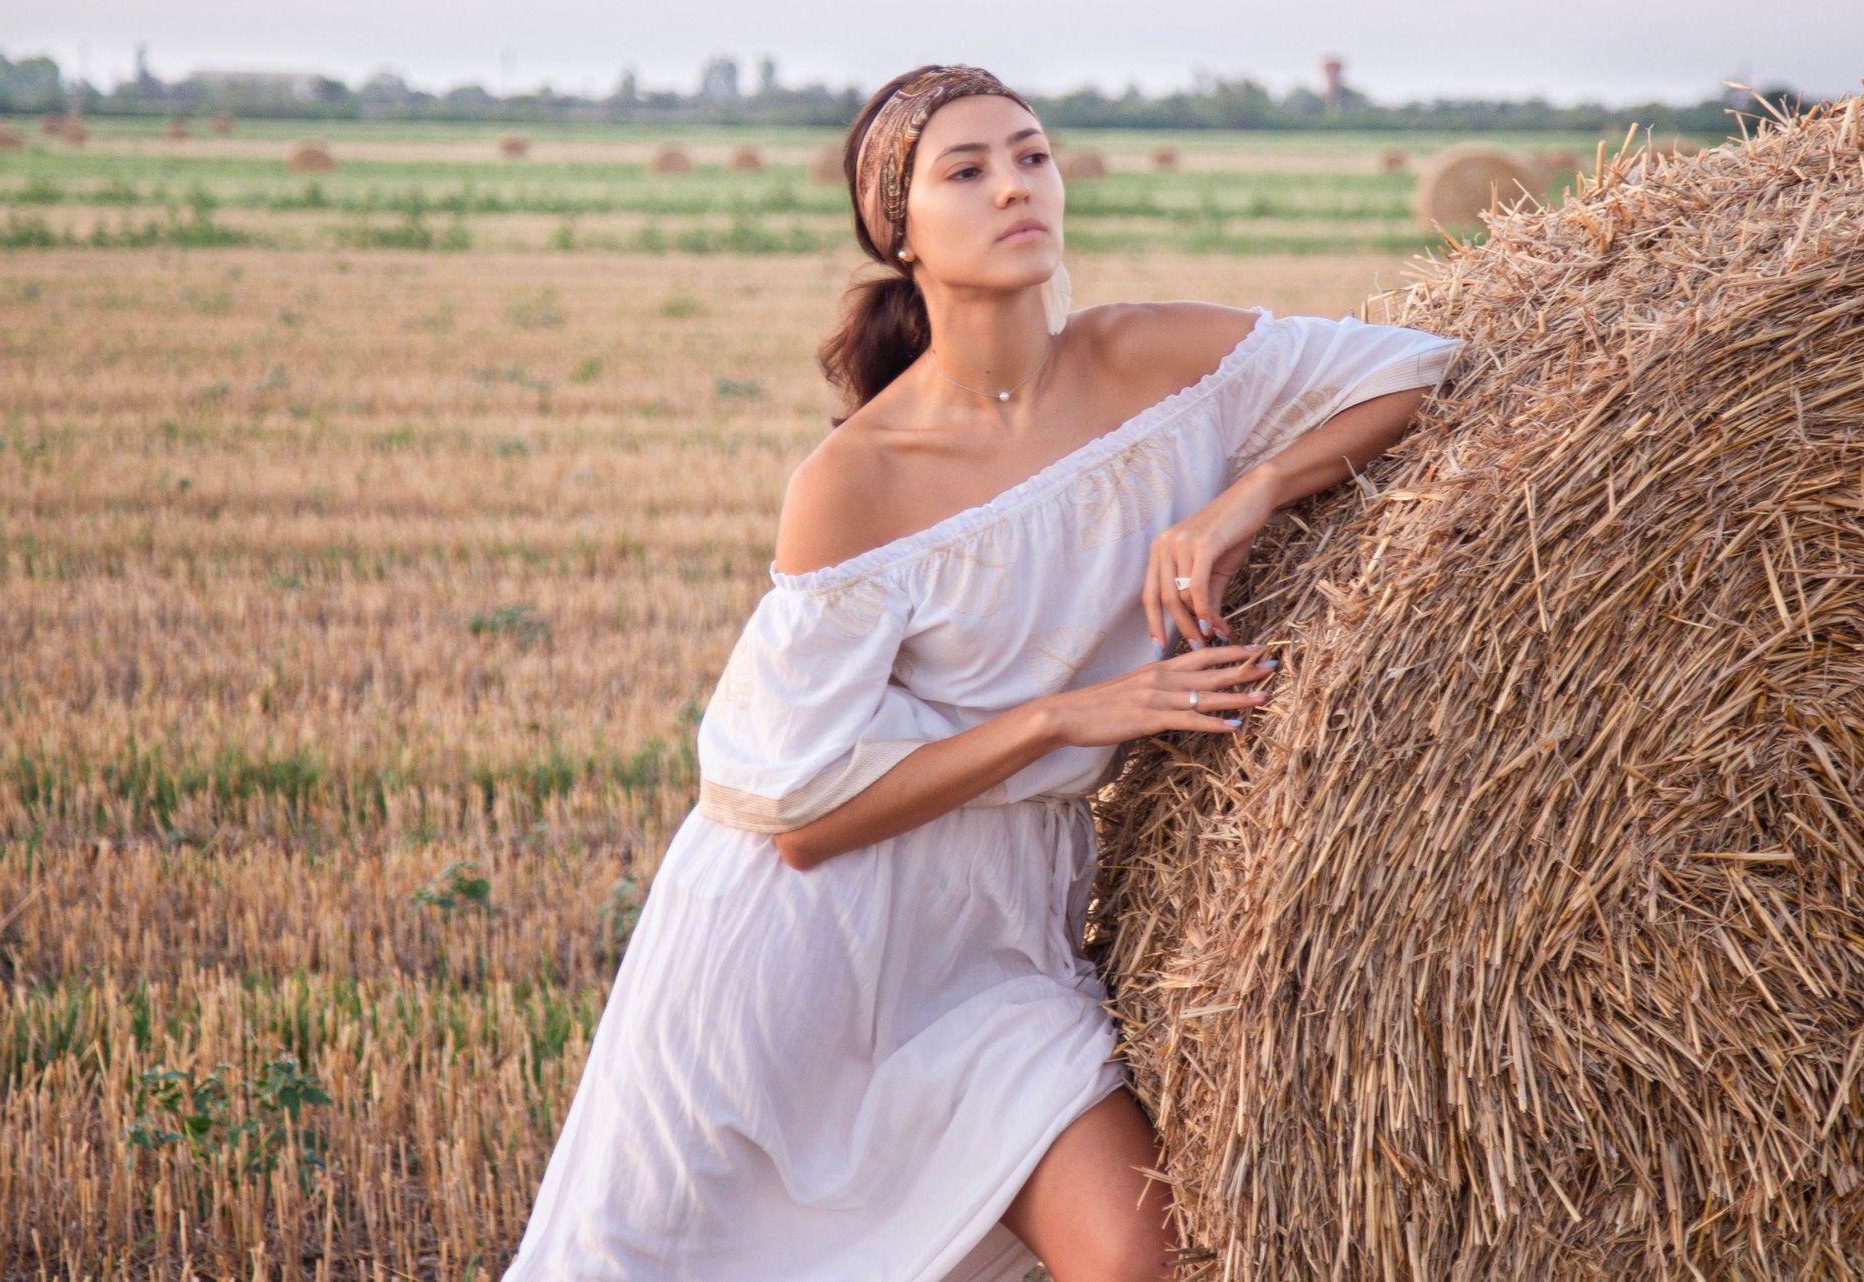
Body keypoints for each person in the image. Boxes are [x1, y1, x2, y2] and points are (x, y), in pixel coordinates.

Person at [503, 66, 1460, 1282]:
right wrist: (1066, 714)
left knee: (1133, 1252)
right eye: (967, 169)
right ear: (897, 230)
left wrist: (1249, 493)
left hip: (999, 934)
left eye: (1032, 154)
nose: (1015, 184)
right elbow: (800, 817)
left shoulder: (1148, 355)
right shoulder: (859, 476)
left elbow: (1421, 370)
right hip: (803, 951)